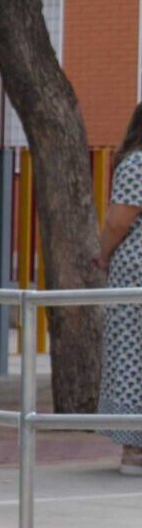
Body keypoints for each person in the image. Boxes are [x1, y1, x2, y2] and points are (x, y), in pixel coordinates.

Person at [99, 103, 142, 474]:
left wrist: (102, 254)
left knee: (131, 352)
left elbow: (119, 221)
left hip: (135, 272)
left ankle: (133, 448)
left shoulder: (136, 165)